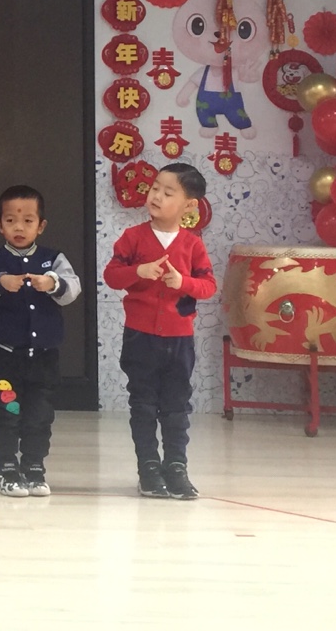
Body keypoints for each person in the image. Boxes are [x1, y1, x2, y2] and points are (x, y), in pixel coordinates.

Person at [102, 163, 215, 500]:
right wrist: (139, 271)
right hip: (140, 337)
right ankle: (148, 468)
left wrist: (183, 282)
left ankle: (176, 467)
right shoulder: (133, 237)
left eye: (168, 192)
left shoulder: (193, 245)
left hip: (179, 340)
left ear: (189, 205)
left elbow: (208, 286)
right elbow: (112, 276)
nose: (156, 196)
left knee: (177, 406)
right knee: (143, 405)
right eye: (154, 188)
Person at [0, 185, 80, 498]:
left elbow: (72, 289)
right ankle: (5, 468)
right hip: (4, 358)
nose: (19, 227)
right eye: (11, 220)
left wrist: (53, 283)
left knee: (39, 416)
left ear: (40, 226)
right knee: (7, 412)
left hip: (43, 359)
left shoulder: (53, 259)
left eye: (28, 221)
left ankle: (34, 466)